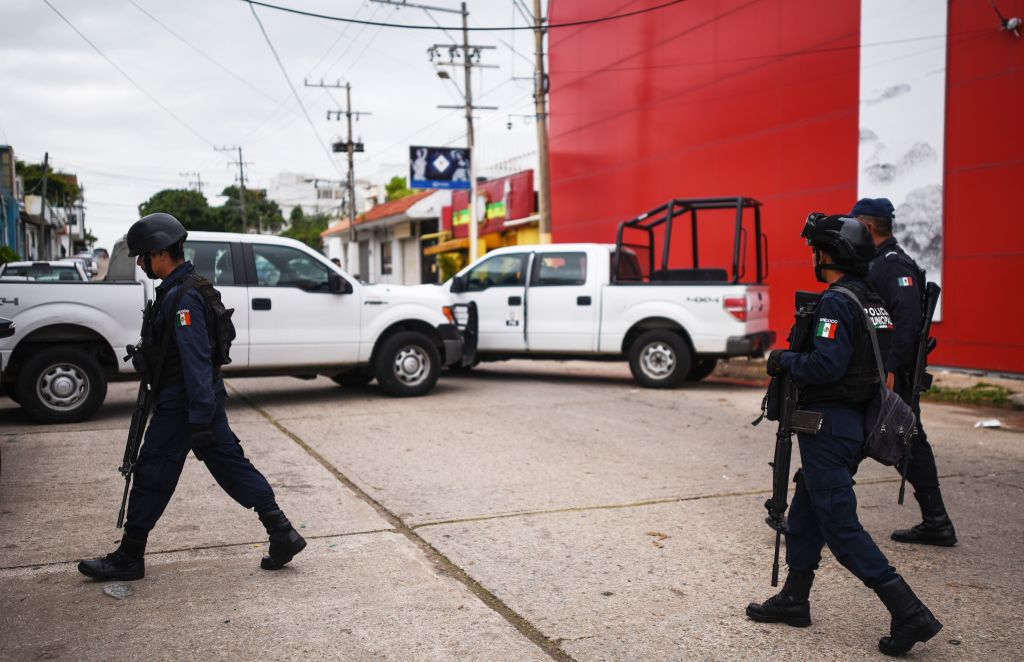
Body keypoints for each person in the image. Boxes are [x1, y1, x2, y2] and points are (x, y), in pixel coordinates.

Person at [746, 214, 942, 657]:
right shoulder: (871, 299)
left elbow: (825, 365)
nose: (814, 256)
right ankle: (795, 599)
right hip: (853, 422)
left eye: (817, 249)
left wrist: (782, 359)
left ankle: (908, 610)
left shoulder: (836, 302)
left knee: (840, 522)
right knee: (806, 509)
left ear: (827, 254)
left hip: (828, 425)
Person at [78, 213, 305, 581]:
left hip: (185, 403)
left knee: (152, 471)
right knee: (231, 466)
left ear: (162, 252)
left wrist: (198, 417)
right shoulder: (180, 289)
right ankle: (282, 532)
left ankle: (129, 556)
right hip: (197, 401)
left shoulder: (184, 298)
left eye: (143, 256)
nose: (140, 263)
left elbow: (196, 359)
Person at [851, 197, 956, 547]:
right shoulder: (879, 263)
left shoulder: (895, 267)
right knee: (893, 439)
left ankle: (937, 521)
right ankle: (936, 521)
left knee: (899, 439)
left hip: (892, 374)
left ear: (866, 227)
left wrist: (891, 369)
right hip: (879, 371)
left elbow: (907, 324)